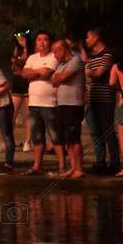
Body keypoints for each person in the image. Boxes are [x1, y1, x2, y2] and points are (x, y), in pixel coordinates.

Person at [21, 32, 59, 174]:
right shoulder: (32, 57)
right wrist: (38, 72)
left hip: (50, 103)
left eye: (45, 40)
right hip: (34, 103)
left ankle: (62, 166)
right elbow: (24, 73)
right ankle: (37, 166)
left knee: (55, 136)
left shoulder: (54, 56)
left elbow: (47, 73)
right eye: (39, 40)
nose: (42, 43)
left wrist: (33, 72)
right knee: (37, 136)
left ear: (50, 42)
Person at [51, 37, 86, 179]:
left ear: (63, 50)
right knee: (68, 139)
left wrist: (59, 77)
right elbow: (53, 80)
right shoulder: (61, 65)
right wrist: (59, 77)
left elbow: (60, 78)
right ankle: (73, 167)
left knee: (74, 138)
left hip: (73, 104)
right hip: (62, 105)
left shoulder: (76, 60)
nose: (54, 56)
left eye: (55, 52)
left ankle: (79, 168)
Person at [83, 29, 116, 174]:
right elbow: (88, 75)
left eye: (88, 37)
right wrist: (90, 74)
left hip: (105, 99)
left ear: (96, 37)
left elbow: (97, 73)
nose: (86, 40)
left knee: (108, 132)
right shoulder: (92, 56)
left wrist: (90, 73)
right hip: (93, 98)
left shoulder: (107, 54)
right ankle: (100, 161)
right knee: (95, 132)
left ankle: (114, 162)